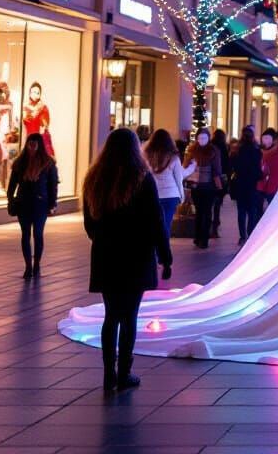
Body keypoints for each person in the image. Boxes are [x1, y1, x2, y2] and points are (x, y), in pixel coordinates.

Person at [82, 127, 172, 391]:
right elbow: (156, 221)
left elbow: (90, 224)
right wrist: (165, 257)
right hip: (136, 255)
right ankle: (124, 372)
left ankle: (108, 372)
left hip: (106, 255)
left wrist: (102, 238)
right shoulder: (142, 179)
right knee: (129, 316)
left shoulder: (94, 178)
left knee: (111, 316)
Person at [6, 133, 58, 279]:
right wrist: (11, 199)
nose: (32, 147)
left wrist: (53, 203)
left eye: (34, 144)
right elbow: (12, 185)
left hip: (40, 203)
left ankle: (37, 264)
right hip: (24, 203)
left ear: (39, 145)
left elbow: (52, 185)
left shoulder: (48, 163)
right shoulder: (20, 163)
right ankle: (28, 266)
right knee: (25, 235)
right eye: (30, 144)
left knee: (38, 234)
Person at [143, 128, 193, 239]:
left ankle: (154, 250)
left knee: (153, 224)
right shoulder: (174, 158)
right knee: (166, 224)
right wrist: (182, 196)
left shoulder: (147, 157)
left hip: (153, 195)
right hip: (171, 195)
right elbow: (178, 178)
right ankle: (164, 250)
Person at [182, 127, 225, 249]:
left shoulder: (213, 151)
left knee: (205, 212)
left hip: (208, 186)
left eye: (204, 138)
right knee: (200, 212)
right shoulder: (192, 150)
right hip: (197, 186)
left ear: (208, 138)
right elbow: (185, 166)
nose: (202, 140)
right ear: (196, 138)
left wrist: (218, 185)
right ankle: (199, 237)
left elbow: (217, 170)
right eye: (200, 138)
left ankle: (203, 238)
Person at [229, 126, 264, 243]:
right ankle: (250, 233)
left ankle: (242, 236)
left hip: (240, 183)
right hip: (252, 184)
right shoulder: (256, 150)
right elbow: (258, 168)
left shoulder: (236, 151)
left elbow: (232, 166)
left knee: (241, 210)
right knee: (252, 210)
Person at [21, 82, 54, 158]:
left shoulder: (43, 108)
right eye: (32, 92)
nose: (34, 94)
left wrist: (41, 120)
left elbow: (44, 125)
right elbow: (24, 123)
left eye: (37, 92)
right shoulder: (25, 107)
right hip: (27, 138)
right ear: (29, 93)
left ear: (40, 94)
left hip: (40, 140)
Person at [211, 128, 231, 239]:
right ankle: (215, 225)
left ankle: (210, 226)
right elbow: (227, 164)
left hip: (210, 178)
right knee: (218, 204)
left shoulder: (210, 147)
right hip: (221, 178)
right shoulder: (224, 148)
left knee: (210, 204)